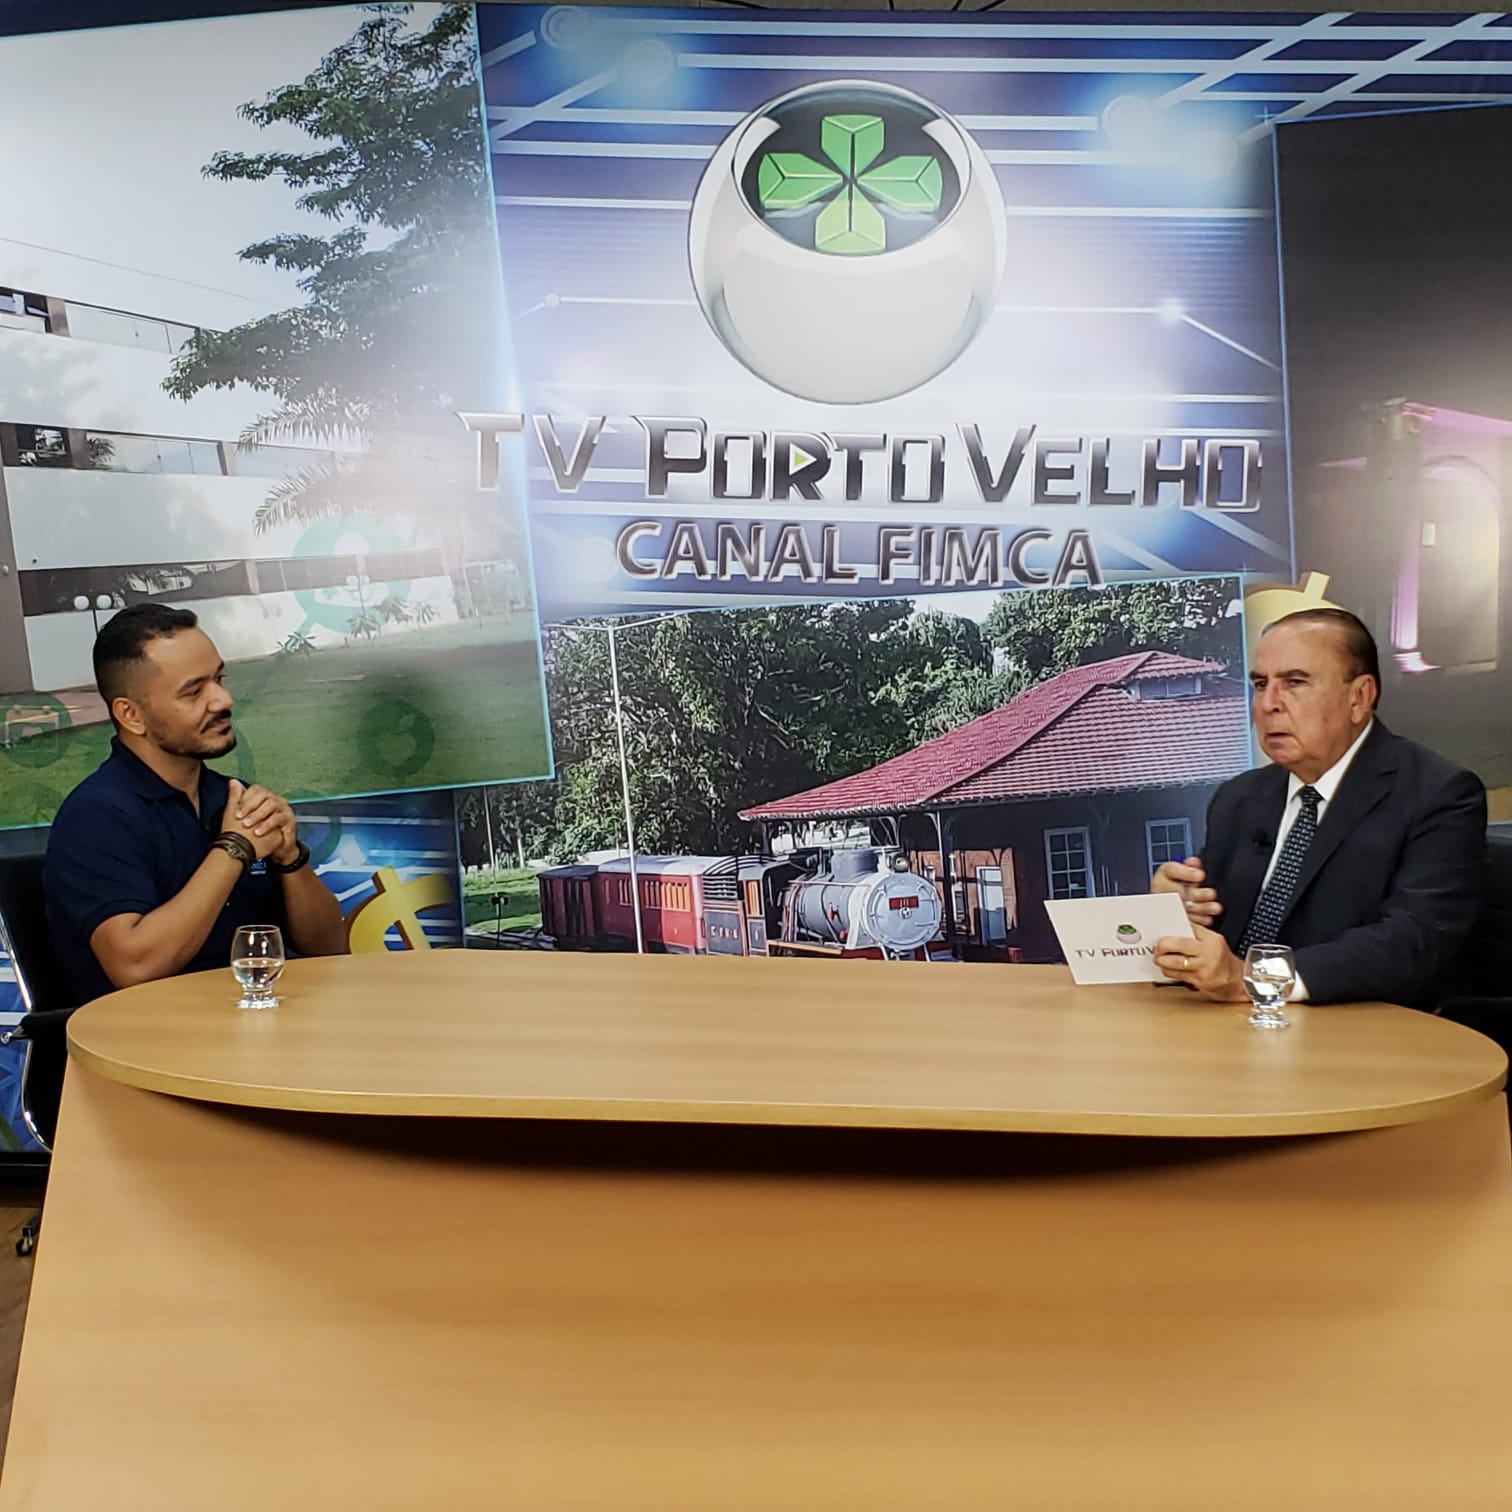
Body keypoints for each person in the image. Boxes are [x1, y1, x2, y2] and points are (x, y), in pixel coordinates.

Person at [1150, 607, 1486, 1009]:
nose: (1268, 704)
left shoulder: (1437, 795)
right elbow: (1219, 939)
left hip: (1358, 1030)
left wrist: (1256, 979)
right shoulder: (1238, 798)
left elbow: (1414, 940)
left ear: (1359, 697)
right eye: (1260, 684)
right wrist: (1177, 913)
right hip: (1230, 1025)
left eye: (1294, 682)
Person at [45, 604, 348, 1004]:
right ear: (131, 715)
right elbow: (135, 967)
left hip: (257, 1026)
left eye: (219, 679)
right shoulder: (96, 817)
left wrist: (289, 857)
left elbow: (330, 948)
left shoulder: (234, 797)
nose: (223, 700)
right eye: (194, 692)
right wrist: (234, 848)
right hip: (150, 1038)